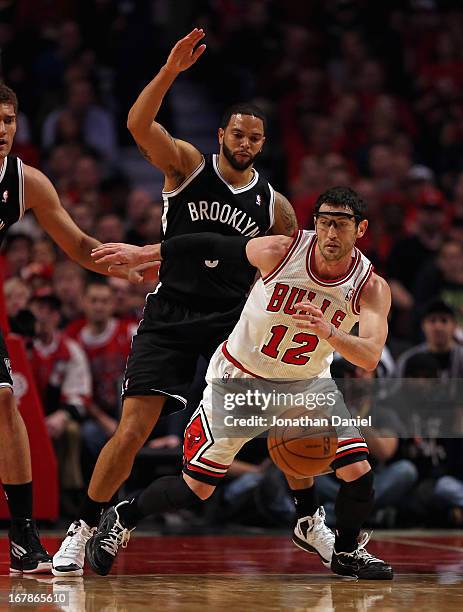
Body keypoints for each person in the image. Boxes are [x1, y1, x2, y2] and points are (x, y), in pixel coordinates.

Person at [52, 28, 298, 576]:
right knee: (133, 429)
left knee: (278, 420)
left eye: (256, 139)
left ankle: (309, 519)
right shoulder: (187, 165)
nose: (246, 144)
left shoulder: (276, 208)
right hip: (170, 312)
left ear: (263, 144)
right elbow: (138, 125)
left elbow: (287, 273)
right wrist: (168, 72)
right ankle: (85, 525)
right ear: (221, 134)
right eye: (238, 134)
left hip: (231, 326)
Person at [87, 186, 393, 580]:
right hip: (240, 378)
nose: (331, 233)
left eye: (341, 225)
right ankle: (124, 514)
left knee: (359, 472)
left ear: (361, 229)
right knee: (196, 488)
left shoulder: (370, 287)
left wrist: (330, 332)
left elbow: (368, 354)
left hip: (305, 383)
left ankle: (346, 549)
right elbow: (210, 243)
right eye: (324, 222)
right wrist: (146, 253)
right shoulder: (281, 251)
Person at [0, 83, 128, 574]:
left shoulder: (26, 181)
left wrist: (122, 263)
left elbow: (75, 243)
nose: (2, 130)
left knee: (3, 400)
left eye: (9, 120)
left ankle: (20, 533)